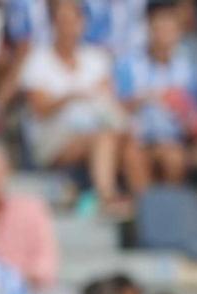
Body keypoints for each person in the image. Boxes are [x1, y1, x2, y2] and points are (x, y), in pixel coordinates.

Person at [18, 0, 125, 211]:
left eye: (73, 20)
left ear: (82, 23)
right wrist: (70, 97)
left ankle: (144, 209)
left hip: (94, 127)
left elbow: (110, 100)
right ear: (53, 24)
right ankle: (106, 198)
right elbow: (38, 109)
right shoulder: (37, 59)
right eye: (62, 21)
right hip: (52, 138)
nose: (68, 27)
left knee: (129, 143)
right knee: (102, 138)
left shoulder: (97, 58)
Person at [115, 0, 197, 196]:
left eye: (169, 27)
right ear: (149, 29)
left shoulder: (188, 68)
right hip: (137, 139)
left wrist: (186, 111)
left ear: (178, 31)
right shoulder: (129, 65)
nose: (164, 34)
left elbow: (195, 115)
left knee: (174, 157)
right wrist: (147, 98)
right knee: (132, 155)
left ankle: (168, 208)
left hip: (174, 141)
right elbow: (118, 108)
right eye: (158, 27)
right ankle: (142, 207)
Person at [0, 138, 58, 290]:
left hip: (24, 292)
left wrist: (6, 281)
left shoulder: (31, 210)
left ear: (6, 172)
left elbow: (44, 268)